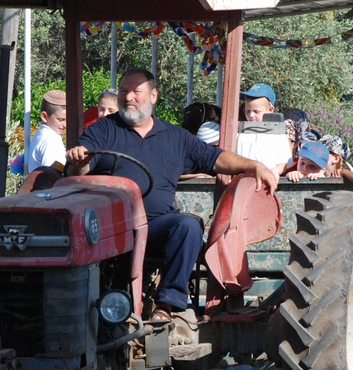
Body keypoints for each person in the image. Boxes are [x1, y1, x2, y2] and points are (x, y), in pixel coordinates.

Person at [66, 68, 279, 324]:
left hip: (155, 227)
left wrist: (253, 165)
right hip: (111, 228)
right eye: (123, 91)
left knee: (188, 225)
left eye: (136, 91)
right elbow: (83, 164)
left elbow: (215, 158)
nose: (128, 97)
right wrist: (79, 160)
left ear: (153, 96)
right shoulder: (103, 130)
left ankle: (166, 305)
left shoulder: (175, 137)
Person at [235, 83, 292, 175]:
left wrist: (274, 172)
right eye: (247, 111)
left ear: (270, 110)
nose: (251, 115)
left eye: (256, 111)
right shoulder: (240, 134)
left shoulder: (279, 136)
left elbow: (284, 162)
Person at [28, 89, 67, 172]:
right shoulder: (50, 140)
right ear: (44, 116)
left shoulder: (41, 135)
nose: (65, 125)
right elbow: (50, 175)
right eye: (61, 120)